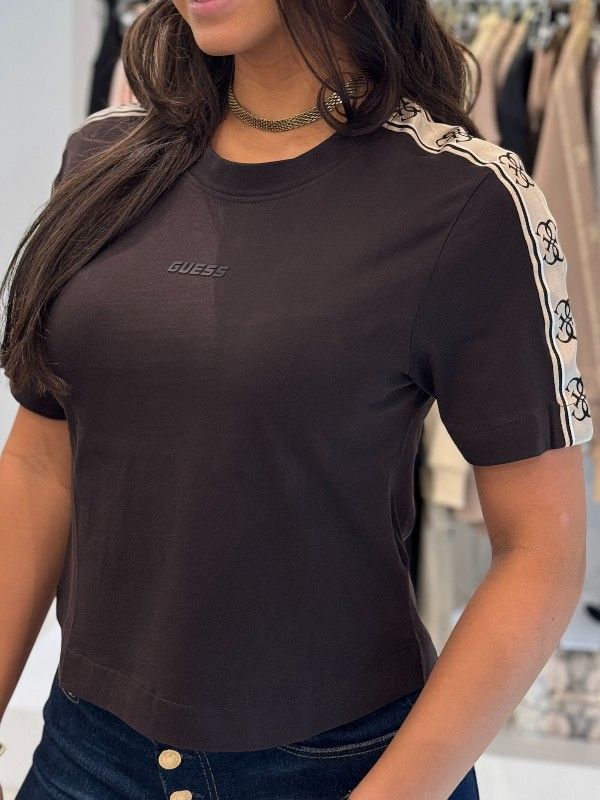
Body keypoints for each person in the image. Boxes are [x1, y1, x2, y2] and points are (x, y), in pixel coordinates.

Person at [0, 1, 593, 798]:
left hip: (341, 764)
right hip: (87, 754)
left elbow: (540, 551)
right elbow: (40, 466)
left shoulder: (463, 197)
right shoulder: (104, 158)